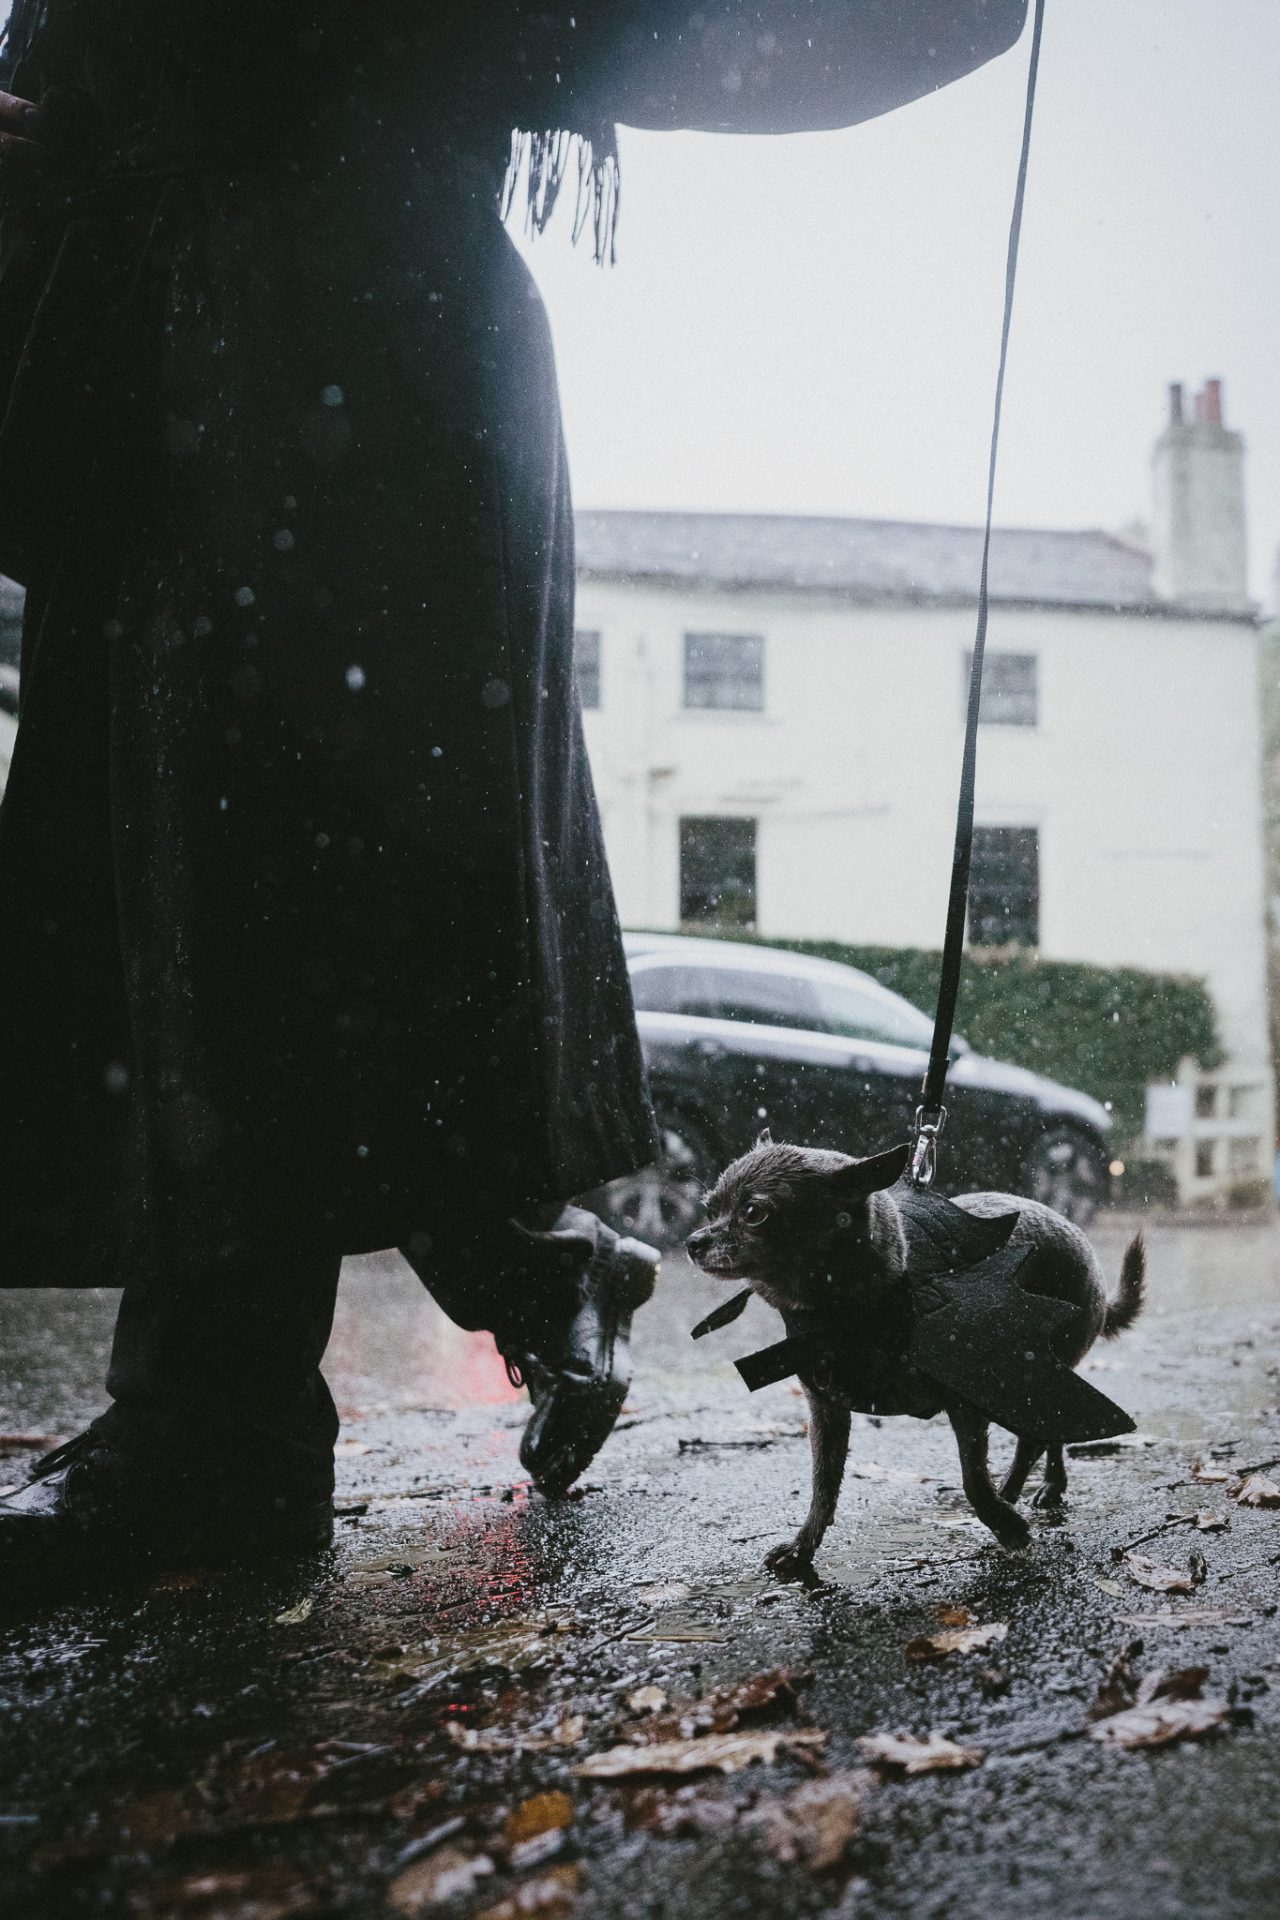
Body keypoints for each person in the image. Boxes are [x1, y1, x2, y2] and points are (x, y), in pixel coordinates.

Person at [0, 2, 1027, 1588]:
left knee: (298, 896)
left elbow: (684, 34)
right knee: (239, 904)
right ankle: (510, 1286)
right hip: (160, 357)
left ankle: (221, 1428)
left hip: (365, 386)